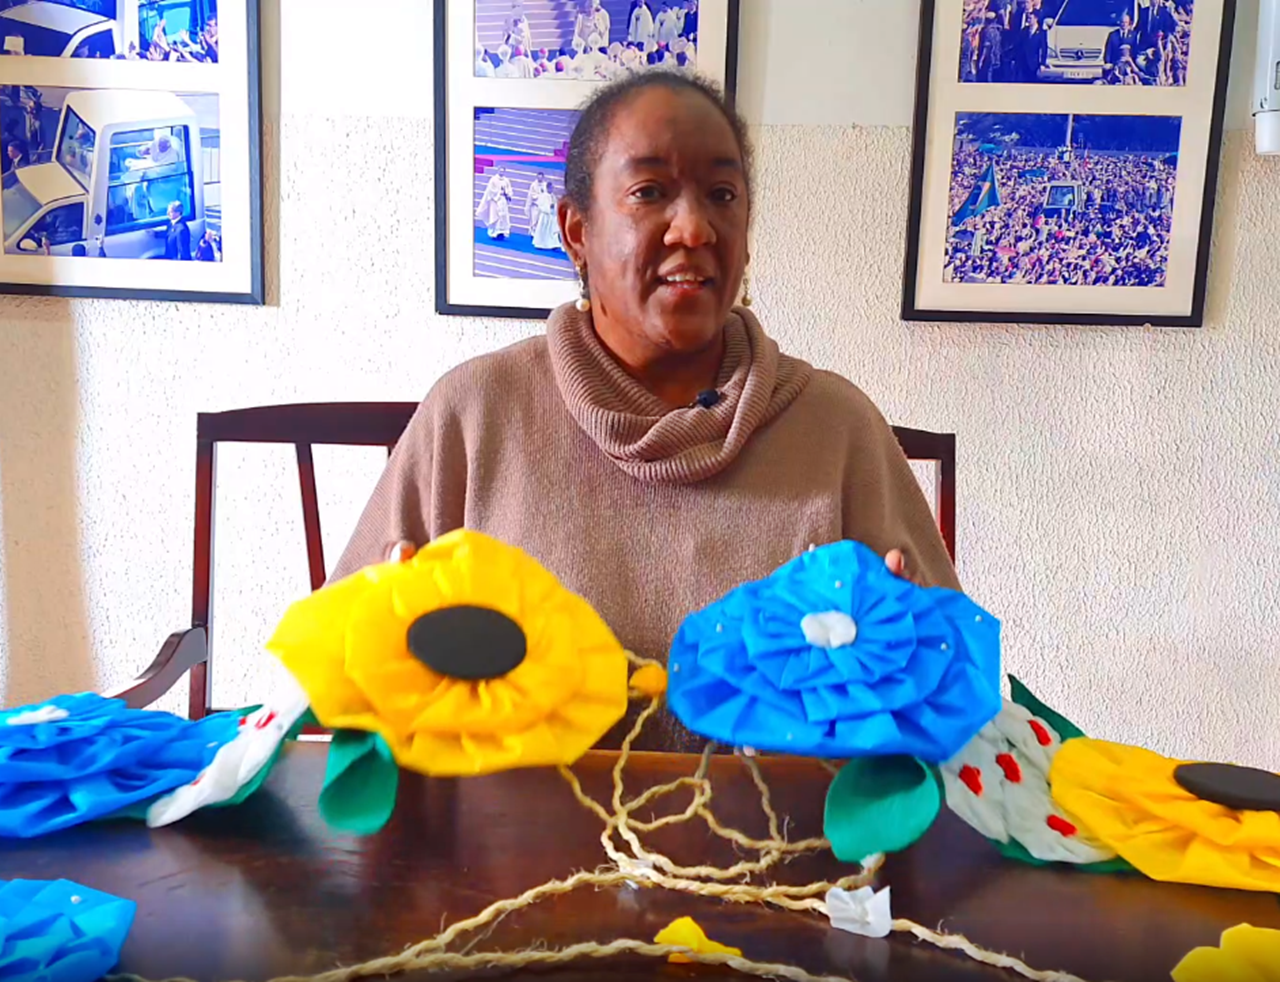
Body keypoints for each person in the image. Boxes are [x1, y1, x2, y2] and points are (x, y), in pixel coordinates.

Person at [331, 73, 958, 752]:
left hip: (779, 820)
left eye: (723, 195)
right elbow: (333, 684)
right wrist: (386, 656)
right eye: (649, 192)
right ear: (576, 231)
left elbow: (954, 705)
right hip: (518, 819)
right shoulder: (474, 415)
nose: (694, 227)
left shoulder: (836, 428)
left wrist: (913, 668)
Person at [474, 167, 513, 239]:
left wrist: (507, 193)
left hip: (503, 200)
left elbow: (509, 189)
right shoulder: (493, 180)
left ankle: (502, 232)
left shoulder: (506, 180)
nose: (501, 172)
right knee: (495, 216)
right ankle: (494, 232)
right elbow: (490, 190)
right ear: (498, 171)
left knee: (503, 216)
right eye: (500, 171)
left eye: (503, 171)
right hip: (495, 200)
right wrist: (498, 192)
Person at [530, 179, 561, 250]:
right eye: (551, 188)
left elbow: (555, 204)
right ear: (548, 188)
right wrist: (548, 208)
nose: (552, 189)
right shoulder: (543, 196)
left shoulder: (553, 196)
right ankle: (540, 244)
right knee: (543, 231)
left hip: (551, 216)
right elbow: (541, 205)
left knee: (551, 231)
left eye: (553, 188)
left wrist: (554, 207)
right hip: (544, 216)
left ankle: (553, 244)